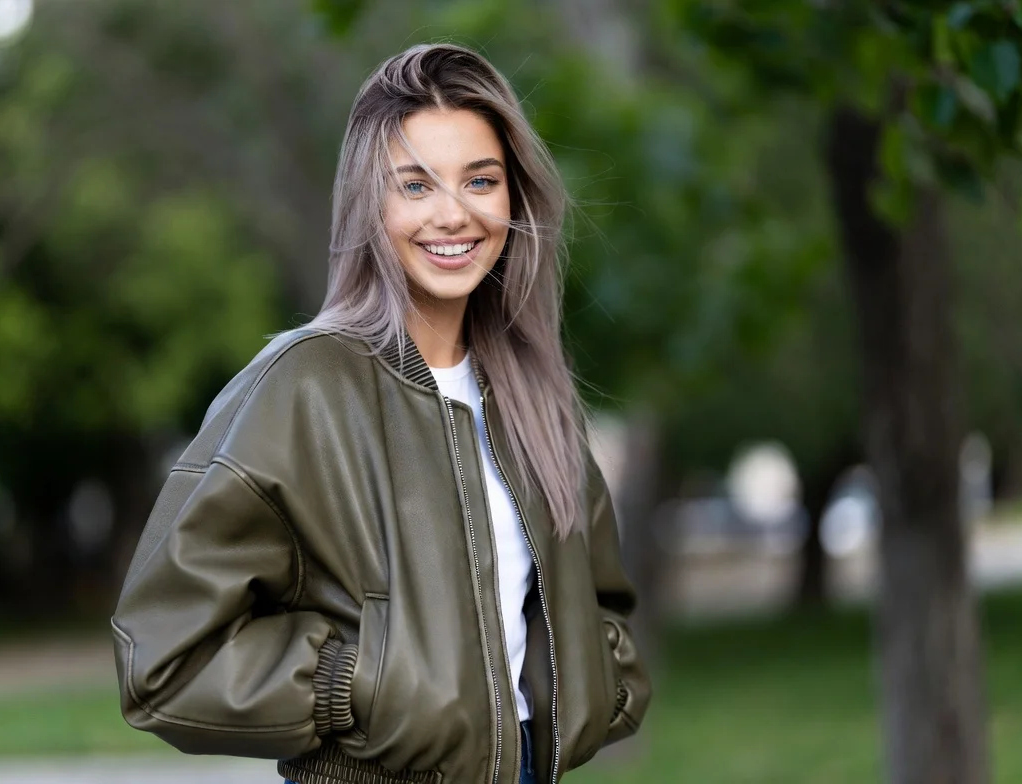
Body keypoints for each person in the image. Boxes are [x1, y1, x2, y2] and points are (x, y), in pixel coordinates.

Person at [111, 42, 650, 784]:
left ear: (514, 199)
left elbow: (599, 604)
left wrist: (592, 692)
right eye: (416, 185)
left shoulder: (534, 395)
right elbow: (163, 655)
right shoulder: (302, 385)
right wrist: (349, 686)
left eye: (481, 181)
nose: (454, 214)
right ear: (371, 203)